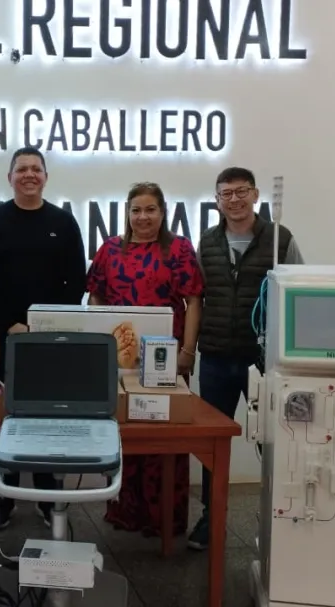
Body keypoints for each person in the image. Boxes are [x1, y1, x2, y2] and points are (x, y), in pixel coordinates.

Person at [0, 147, 87, 530]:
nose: (29, 174)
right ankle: (4, 495)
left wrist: (48, 324)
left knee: (48, 418)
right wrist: (9, 323)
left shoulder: (63, 222)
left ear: (46, 177)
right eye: (22, 169)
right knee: (8, 418)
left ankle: (47, 494)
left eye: (36, 168)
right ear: (10, 178)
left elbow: (76, 281)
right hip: (7, 337)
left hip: (51, 340)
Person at [190, 166, 304, 551]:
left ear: (255, 195)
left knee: (276, 442)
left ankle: (281, 516)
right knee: (212, 444)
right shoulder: (207, 242)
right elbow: (197, 299)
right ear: (217, 200)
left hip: (264, 361)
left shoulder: (280, 240)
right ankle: (211, 518)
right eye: (226, 193)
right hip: (216, 358)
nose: (234, 200)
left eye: (241, 191)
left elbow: (298, 294)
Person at [86, 182, 204, 538]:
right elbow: (95, 296)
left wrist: (187, 351)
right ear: (127, 213)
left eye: (150, 209)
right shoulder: (110, 249)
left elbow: (194, 301)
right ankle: (126, 511)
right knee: (125, 431)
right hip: (120, 359)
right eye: (136, 210)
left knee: (164, 433)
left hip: (166, 359)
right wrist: (101, 341)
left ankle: (163, 517)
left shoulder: (179, 249)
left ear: (162, 212)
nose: (143, 217)